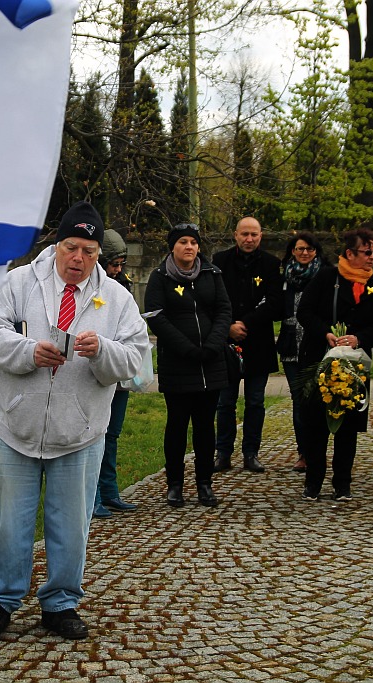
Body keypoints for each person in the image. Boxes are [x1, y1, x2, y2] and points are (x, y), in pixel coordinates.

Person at [0, 201, 150, 645]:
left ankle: (61, 603)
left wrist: (102, 350)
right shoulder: (18, 283)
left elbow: (138, 362)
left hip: (81, 432)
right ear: (57, 245)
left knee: (71, 524)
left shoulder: (118, 298)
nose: (79, 259)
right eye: (71, 247)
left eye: (89, 251)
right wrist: (29, 352)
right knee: (8, 522)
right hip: (16, 428)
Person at [296, 228, 373, 502]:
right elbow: (305, 311)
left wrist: (359, 339)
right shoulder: (326, 277)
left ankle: (342, 483)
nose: (372, 258)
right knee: (316, 425)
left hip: (354, 365)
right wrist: (326, 332)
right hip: (319, 359)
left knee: (347, 425)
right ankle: (313, 482)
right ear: (349, 253)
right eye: (366, 252)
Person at [145, 223, 232, 508]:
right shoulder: (159, 277)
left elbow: (223, 310)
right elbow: (156, 317)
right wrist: (186, 348)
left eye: (193, 242)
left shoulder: (212, 274)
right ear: (173, 246)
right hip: (178, 363)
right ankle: (175, 485)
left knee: (206, 426)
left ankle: (205, 483)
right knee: (177, 426)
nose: (189, 247)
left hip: (211, 362)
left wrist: (213, 344)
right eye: (183, 242)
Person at [211, 217, 283, 473]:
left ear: (261, 236)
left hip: (258, 342)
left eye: (254, 234)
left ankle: (251, 452)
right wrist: (229, 325)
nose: (249, 239)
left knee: (255, 402)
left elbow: (275, 303)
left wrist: (246, 324)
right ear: (235, 235)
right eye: (244, 234)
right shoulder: (219, 262)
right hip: (226, 342)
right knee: (225, 402)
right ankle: (223, 452)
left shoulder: (272, 264)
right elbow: (213, 299)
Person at [92, 229, 139, 519]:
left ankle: (109, 491)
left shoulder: (123, 286)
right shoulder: (90, 288)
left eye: (121, 264)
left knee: (113, 434)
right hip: (96, 370)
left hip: (119, 370)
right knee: (96, 434)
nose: (118, 270)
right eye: (114, 264)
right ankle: (93, 495)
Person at [276, 231, 325, 474]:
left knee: (320, 399)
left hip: (317, 344)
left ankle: (321, 451)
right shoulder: (284, 276)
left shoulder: (325, 276)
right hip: (291, 346)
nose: (304, 253)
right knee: (299, 401)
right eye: (299, 249)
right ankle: (304, 453)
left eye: (309, 249)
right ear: (292, 251)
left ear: (316, 251)